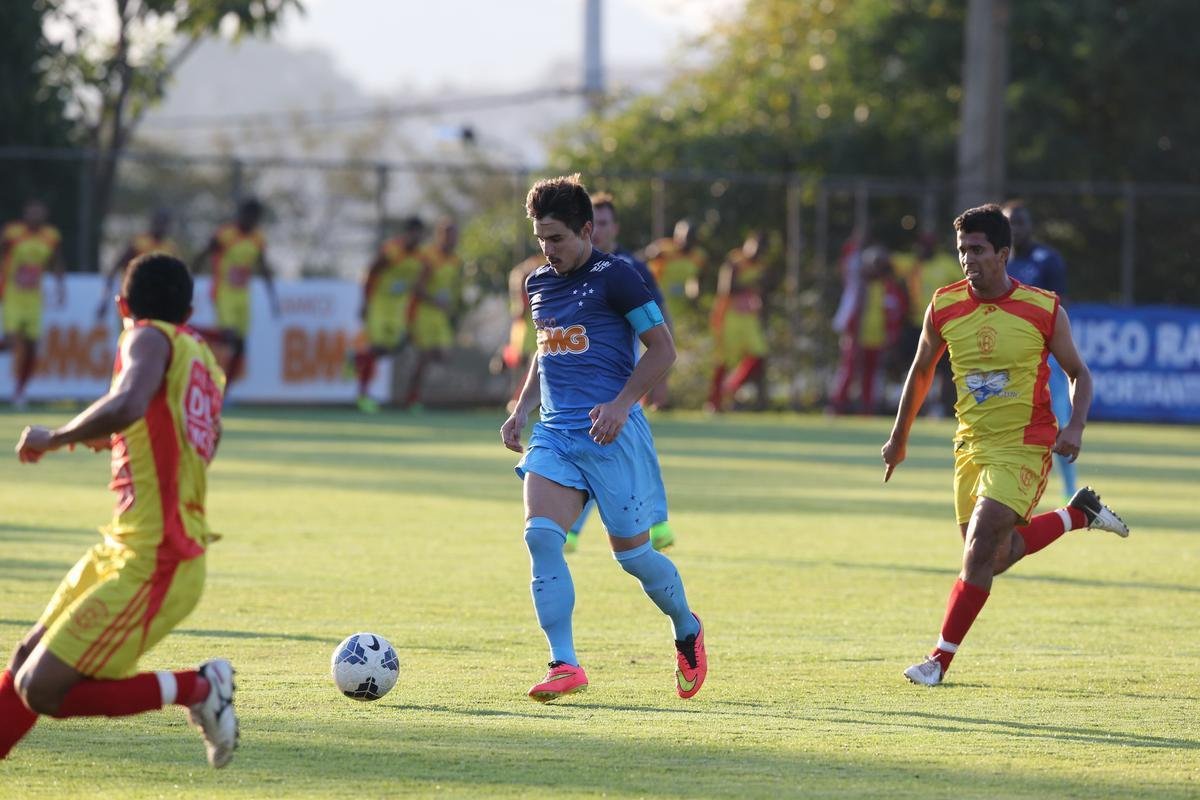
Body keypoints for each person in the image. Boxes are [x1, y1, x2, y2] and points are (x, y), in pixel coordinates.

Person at [1, 253, 238, 767]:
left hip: (157, 559)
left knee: (42, 689)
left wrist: (55, 437)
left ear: (122, 305)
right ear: (191, 309)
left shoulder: (145, 336)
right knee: (23, 661)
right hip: (128, 545)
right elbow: (188, 441)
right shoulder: (204, 364)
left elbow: (130, 402)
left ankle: (199, 687)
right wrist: (117, 440)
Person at [881, 204, 1129, 687]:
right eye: (962, 250)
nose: (968, 260)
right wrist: (898, 438)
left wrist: (1074, 426)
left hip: (1025, 444)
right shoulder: (944, 305)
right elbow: (922, 369)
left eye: (977, 250)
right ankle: (1079, 514)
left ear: (1003, 253)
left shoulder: (1043, 308)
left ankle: (937, 660)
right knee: (993, 557)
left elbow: (1079, 373)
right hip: (970, 446)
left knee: (977, 551)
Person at [501, 175, 706, 702]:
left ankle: (686, 626)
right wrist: (523, 409)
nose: (548, 251)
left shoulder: (620, 278)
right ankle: (564, 663)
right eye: (541, 239)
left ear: (587, 229)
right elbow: (545, 351)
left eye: (558, 239)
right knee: (540, 537)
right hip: (557, 434)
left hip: (613, 435)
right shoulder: (539, 284)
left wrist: (621, 405)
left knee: (634, 558)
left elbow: (662, 350)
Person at [566, 192, 675, 553]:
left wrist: (660, 381)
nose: (598, 230)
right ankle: (570, 529)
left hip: (624, 387)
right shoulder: (567, 268)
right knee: (585, 459)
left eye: (605, 222)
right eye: (593, 222)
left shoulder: (630, 268)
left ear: (616, 227)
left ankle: (657, 523)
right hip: (581, 390)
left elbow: (660, 329)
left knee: (640, 455)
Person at [1003, 200, 1076, 500]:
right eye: (1009, 223)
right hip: (1008, 359)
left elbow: (1061, 307)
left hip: (1045, 358)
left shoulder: (1047, 259)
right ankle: (1012, 491)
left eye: (1020, 222)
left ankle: (1071, 490)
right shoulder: (998, 260)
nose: (1015, 229)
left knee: (1059, 422)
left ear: (1030, 225)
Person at [192, 197, 279, 393]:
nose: (250, 220)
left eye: (255, 217)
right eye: (247, 215)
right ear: (241, 215)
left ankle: (225, 391)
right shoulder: (226, 235)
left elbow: (263, 267)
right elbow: (202, 255)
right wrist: (189, 278)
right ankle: (192, 331)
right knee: (229, 336)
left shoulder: (257, 238)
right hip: (224, 293)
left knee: (240, 345)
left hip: (243, 296)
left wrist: (273, 296)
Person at [351, 216, 426, 413]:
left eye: (420, 235)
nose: (416, 238)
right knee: (378, 346)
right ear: (407, 233)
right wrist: (365, 302)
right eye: (413, 234)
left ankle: (358, 358)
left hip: (397, 310)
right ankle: (363, 396)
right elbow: (370, 272)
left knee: (396, 347)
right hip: (379, 306)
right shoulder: (392, 250)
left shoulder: (419, 258)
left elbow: (416, 285)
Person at [0, 199, 67, 408]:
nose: (35, 216)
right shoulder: (13, 233)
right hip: (12, 295)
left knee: (31, 347)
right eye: (32, 212)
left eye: (39, 212)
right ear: (25, 213)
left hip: (34, 299)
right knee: (11, 342)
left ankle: (19, 392)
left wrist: (60, 285)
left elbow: (57, 261)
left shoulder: (51, 236)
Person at [829, 246, 908, 414]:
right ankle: (837, 406)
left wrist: (891, 338)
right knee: (848, 372)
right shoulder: (857, 287)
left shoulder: (890, 288)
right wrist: (849, 333)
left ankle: (867, 409)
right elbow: (849, 311)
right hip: (856, 339)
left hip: (878, 340)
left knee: (871, 376)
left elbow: (897, 313)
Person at [643, 219, 707, 409]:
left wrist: (694, 293)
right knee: (661, 351)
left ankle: (654, 399)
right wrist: (651, 253)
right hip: (654, 305)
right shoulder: (665, 249)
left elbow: (696, 279)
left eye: (690, 237)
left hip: (676, 310)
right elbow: (640, 262)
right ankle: (654, 400)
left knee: (664, 353)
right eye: (682, 237)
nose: (684, 241)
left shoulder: (698, 256)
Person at [708, 231, 770, 412]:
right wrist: (751, 286)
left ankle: (731, 387)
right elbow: (726, 288)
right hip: (728, 316)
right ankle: (714, 402)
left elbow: (764, 290)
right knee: (723, 360)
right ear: (747, 244)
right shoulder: (734, 262)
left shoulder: (761, 266)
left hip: (748, 317)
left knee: (759, 354)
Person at [404, 218, 462, 409]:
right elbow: (417, 287)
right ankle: (412, 399)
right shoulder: (429, 257)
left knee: (443, 355)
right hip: (424, 313)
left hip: (440, 315)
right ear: (440, 236)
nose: (451, 239)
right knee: (425, 356)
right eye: (447, 234)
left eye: (454, 235)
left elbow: (452, 288)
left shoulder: (455, 260)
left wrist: (452, 307)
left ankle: (414, 391)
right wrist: (434, 300)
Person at [97, 209, 177, 320]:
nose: (161, 227)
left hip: (158, 304)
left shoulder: (170, 248)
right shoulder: (139, 243)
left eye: (164, 223)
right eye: (159, 222)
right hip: (133, 300)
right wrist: (104, 300)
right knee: (130, 334)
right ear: (153, 223)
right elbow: (116, 267)